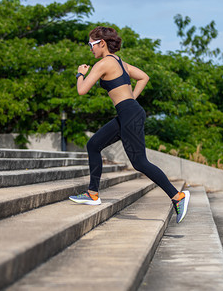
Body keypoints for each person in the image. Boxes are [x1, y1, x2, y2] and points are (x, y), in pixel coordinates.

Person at [69, 26, 190, 223]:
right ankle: (92, 193)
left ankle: (178, 197)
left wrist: (80, 73)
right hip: (128, 113)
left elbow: (82, 90)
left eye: (90, 45)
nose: (89, 49)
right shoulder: (120, 62)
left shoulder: (103, 63)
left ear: (102, 43)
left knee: (140, 162)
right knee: (93, 145)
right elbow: (144, 77)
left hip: (129, 114)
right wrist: (131, 100)